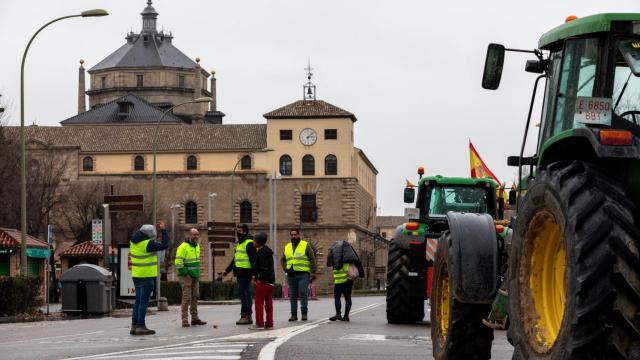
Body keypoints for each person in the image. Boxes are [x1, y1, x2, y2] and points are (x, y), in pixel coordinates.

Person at [130, 221, 169, 335]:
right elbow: (164, 245)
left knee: (137, 301)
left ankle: (134, 325)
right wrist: (164, 230)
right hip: (146, 276)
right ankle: (141, 325)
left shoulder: (134, 242)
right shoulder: (147, 244)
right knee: (143, 302)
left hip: (136, 275)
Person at [222, 223, 256, 325]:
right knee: (246, 294)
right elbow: (235, 259)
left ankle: (245, 315)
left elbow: (253, 259)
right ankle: (248, 315)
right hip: (241, 273)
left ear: (245, 232)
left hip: (246, 272)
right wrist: (227, 270)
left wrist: (254, 274)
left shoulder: (249, 243)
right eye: (237, 231)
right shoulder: (240, 243)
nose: (238, 232)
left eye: (239, 231)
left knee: (244, 294)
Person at [280, 229, 316, 321]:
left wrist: (313, 272)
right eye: (291, 235)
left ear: (299, 235)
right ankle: (294, 315)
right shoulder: (287, 246)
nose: (293, 236)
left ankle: (304, 314)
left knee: (303, 292)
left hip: (303, 274)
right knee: (292, 295)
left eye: (295, 234)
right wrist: (285, 268)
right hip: (291, 274)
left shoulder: (305, 245)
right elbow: (283, 259)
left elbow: (312, 258)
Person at [175, 228, 207, 327]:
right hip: (186, 276)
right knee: (187, 297)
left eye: (197, 235)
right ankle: (184, 320)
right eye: (194, 235)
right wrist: (185, 272)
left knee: (195, 296)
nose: (196, 237)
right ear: (189, 235)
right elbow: (178, 262)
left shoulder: (197, 246)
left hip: (195, 275)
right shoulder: (183, 247)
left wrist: (197, 273)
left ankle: (195, 318)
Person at [327, 240, 364, 322]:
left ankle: (338, 314)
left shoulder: (335, 261)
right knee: (347, 298)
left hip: (338, 282)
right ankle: (346, 316)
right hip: (348, 281)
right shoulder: (349, 262)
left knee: (337, 297)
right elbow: (356, 267)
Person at [249, 232, 275, 330]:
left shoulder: (261, 252)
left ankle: (259, 324)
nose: (253, 242)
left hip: (263, 281)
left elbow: (263, 267)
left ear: (258, 242)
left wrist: (257, 277)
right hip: (270, 281)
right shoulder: (268, 251)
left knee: (259, 303)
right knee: (269, 304)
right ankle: (269, 323)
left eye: (254, 240)